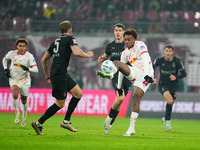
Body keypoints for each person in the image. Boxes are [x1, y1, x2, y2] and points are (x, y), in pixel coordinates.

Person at [31, 20, 94, 135]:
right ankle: (38, 123)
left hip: (60, 73)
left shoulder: (54, 42)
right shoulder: (70, 39)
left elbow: (43, 60)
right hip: (60, 74)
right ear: (69, 30)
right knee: (60, 104)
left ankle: (66, 121)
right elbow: (76, 52)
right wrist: (87, 55)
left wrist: (46, 74)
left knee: (78, 94)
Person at [97, 29, 154, 136]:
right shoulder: (125, 53)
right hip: (135, 73)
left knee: (136, 98)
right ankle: (111, 74)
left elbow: (146, 59)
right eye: (125, 40)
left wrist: (147, 74)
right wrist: (119, 87)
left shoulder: (140, 45)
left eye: (129, 40)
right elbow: (121, 71)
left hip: (147, 74)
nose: (127, 42)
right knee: (116, 63)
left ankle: (131, 128)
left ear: (134, 39)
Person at [97, 23, 132, 135]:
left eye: (120, 30)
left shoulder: (128, 46)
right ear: (114, 32)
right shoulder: (110, 46)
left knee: (119, 102)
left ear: (123, 32)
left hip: (127, 75)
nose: (118, 32)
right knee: (120, 98)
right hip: (116, 75)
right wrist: (102, 59)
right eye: (116, 30)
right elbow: (105, 58)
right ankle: (108, 119)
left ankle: (109, 125)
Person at [2, 38, 38, 127]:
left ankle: (24, 115)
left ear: (26, 47)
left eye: (23, 46)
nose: (22, 48)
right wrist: (6, 69)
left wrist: (28, 69)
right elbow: (4, 59)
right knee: (15, 92)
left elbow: (36, 69)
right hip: (14, 78)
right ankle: (17, 113)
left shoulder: (29, 56)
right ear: (17, 46)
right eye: (20, 46)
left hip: (24, 80)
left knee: (24, 99)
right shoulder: (12, 53)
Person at [153, 45, 187, 131]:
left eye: (169, 51)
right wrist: (153, 77)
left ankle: (165, 118)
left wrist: (176, 77)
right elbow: (151, 67)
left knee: (170, 103)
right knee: (170, 101)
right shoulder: (160, 60)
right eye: (166, 51)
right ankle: (168, 122)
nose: (168, 53)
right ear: (164, 52)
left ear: (172, 52)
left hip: (173, 85)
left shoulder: (177, 61)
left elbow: (184, 73)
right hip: (163, 84)